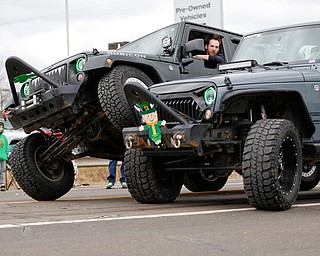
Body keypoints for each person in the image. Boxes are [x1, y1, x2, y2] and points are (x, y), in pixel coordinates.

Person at [0, 122, 9, 191]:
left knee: (2, 171)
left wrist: (6, 155)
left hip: (3, 157)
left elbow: (6, 147)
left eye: (1, 127)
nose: (0, 128)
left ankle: (2, 184)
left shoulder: (4, 137)